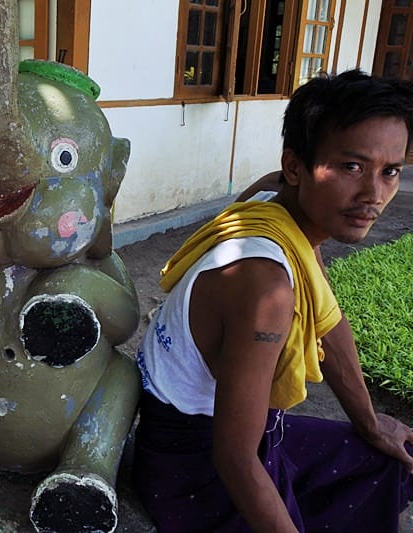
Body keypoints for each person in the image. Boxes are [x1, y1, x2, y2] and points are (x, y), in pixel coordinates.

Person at [133, 69, 413, 532]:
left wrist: (369, 421)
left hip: (235, 436)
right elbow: (234, 458)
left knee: (389, 461)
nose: (374, 195)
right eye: (352, 167)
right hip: (191, 469)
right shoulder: (266, 288)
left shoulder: (275, 198)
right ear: (295, 166)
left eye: (390, 172)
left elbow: (326, 317)